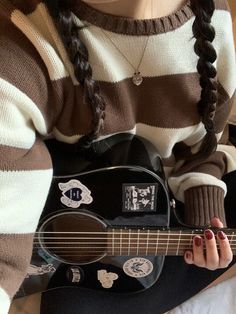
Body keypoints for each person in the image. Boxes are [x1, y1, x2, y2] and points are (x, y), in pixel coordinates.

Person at [0, 0, 236, 313]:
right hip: (54, 223)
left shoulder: (213, 17)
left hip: (158, 211)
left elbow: (203, 148)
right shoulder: (20, 36)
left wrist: (204, 215)